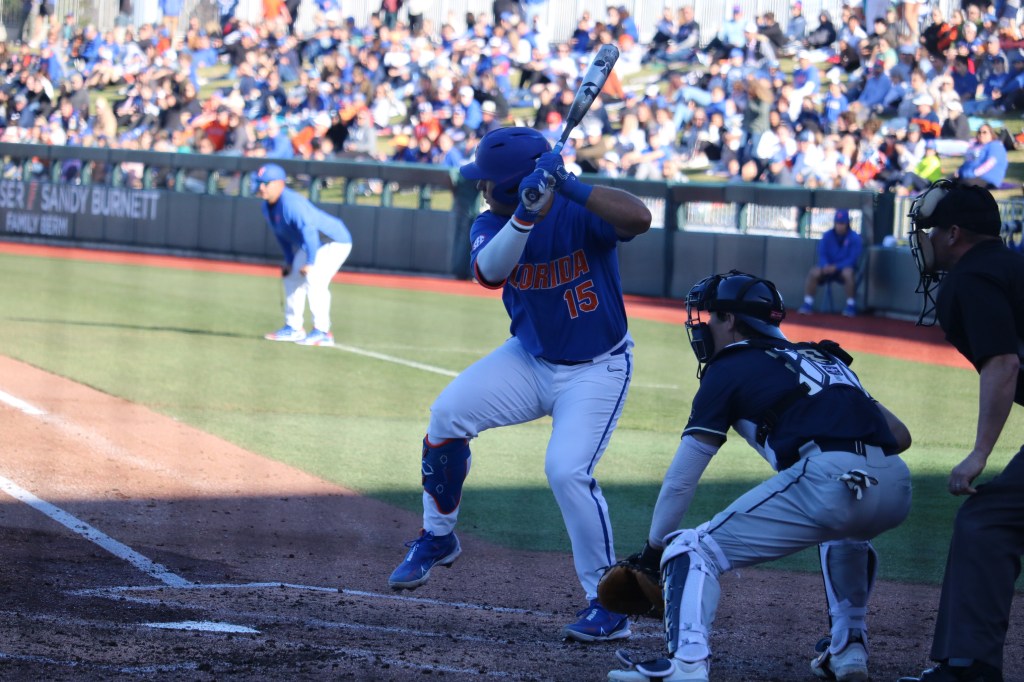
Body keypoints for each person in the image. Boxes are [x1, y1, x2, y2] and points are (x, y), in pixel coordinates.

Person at [386, 126, 652, 643]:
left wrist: (569, 185)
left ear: (509, 182)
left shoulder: (578, 210)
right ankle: (438, 537)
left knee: (566, 471)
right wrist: (525, 214)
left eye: (488, 180)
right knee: (447, 414)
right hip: (530, 359)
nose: (480, 187)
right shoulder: (491, 220)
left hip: (597, 368)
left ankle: (609, 603)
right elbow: (489, 273)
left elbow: (639, 218)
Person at [607, 270, 912, 682]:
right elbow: (899, 436)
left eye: (710, 316)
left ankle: (687, 665)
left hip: (826, 479)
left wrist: (653, 551)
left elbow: (682, 479)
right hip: (894, 486)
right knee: (845, 531)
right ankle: (848, 649)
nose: (704, 326)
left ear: (730, 319)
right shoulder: (824, 357)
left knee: (689, 549)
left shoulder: (728, 366)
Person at [899, 180, 1024, 682]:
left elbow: (1004, 362)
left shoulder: (971, 278)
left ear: (953, 234)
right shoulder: (1010, 266)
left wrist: (978, 454)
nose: (925, 239)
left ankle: (969, 669)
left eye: (931, 230)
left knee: (987, 522)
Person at [253, 163, 353, 347]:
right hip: (312, 244)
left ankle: (322, 332)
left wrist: (311, 262)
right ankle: (294, 328)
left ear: (279, 183)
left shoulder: (291, 203)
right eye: (259, 183)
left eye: (265, 183)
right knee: (291, 276)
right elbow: (281, 235)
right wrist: (290, 261)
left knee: (315, 278)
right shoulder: (267, 207)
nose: (261, 187)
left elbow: (309, 231)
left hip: (333, 240)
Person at [798, 209, 863, 317]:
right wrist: (825, 265)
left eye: (842, 223)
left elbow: (852, 259)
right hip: (827, 268)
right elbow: (822, 254)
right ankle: (807, 303)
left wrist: (837, 267)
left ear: (847, 223)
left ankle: (851, 305)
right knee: (814, 272)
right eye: (837, 223)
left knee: (848, 273)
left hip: (843, 269)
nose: (839, 226)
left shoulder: (854, 238)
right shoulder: (827, 235)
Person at [954, 124, 1009, 190]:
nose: (981, 135)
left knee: (962, 185)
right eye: (979, 132)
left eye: (984, 132)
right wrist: (959, 170)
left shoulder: (996, 146)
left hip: (987, 179)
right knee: (948, 182)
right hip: (969, 176)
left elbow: (990, 163)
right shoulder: (976, 146)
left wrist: (974, 173)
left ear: (991, 134)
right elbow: (968, 162)